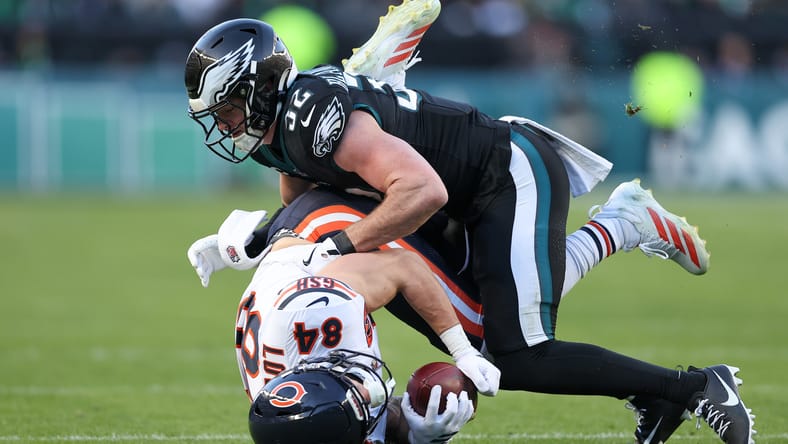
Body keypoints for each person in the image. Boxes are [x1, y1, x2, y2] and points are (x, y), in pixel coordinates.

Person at [183, 1, 755, 442]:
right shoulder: (278, 136)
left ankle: (697, 386)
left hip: (504, 174)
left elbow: (421, 190)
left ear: (259, 88)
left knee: (516, 352)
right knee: (480, 329)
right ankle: (624, 242)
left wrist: (337, 248)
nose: (226, 126)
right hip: (462, 191)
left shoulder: (311, 117)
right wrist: (256, 241)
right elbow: (307, 205)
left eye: (229, 109)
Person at [191, 208, 500, 443]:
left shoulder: (316, 314)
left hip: (318, 224)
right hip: (288, 315)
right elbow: (369, 418)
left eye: (357, 393)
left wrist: (463, 353)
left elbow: (403, 266)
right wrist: (418, 435)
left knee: (425, 194)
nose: (370, 392)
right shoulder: (297, 420)